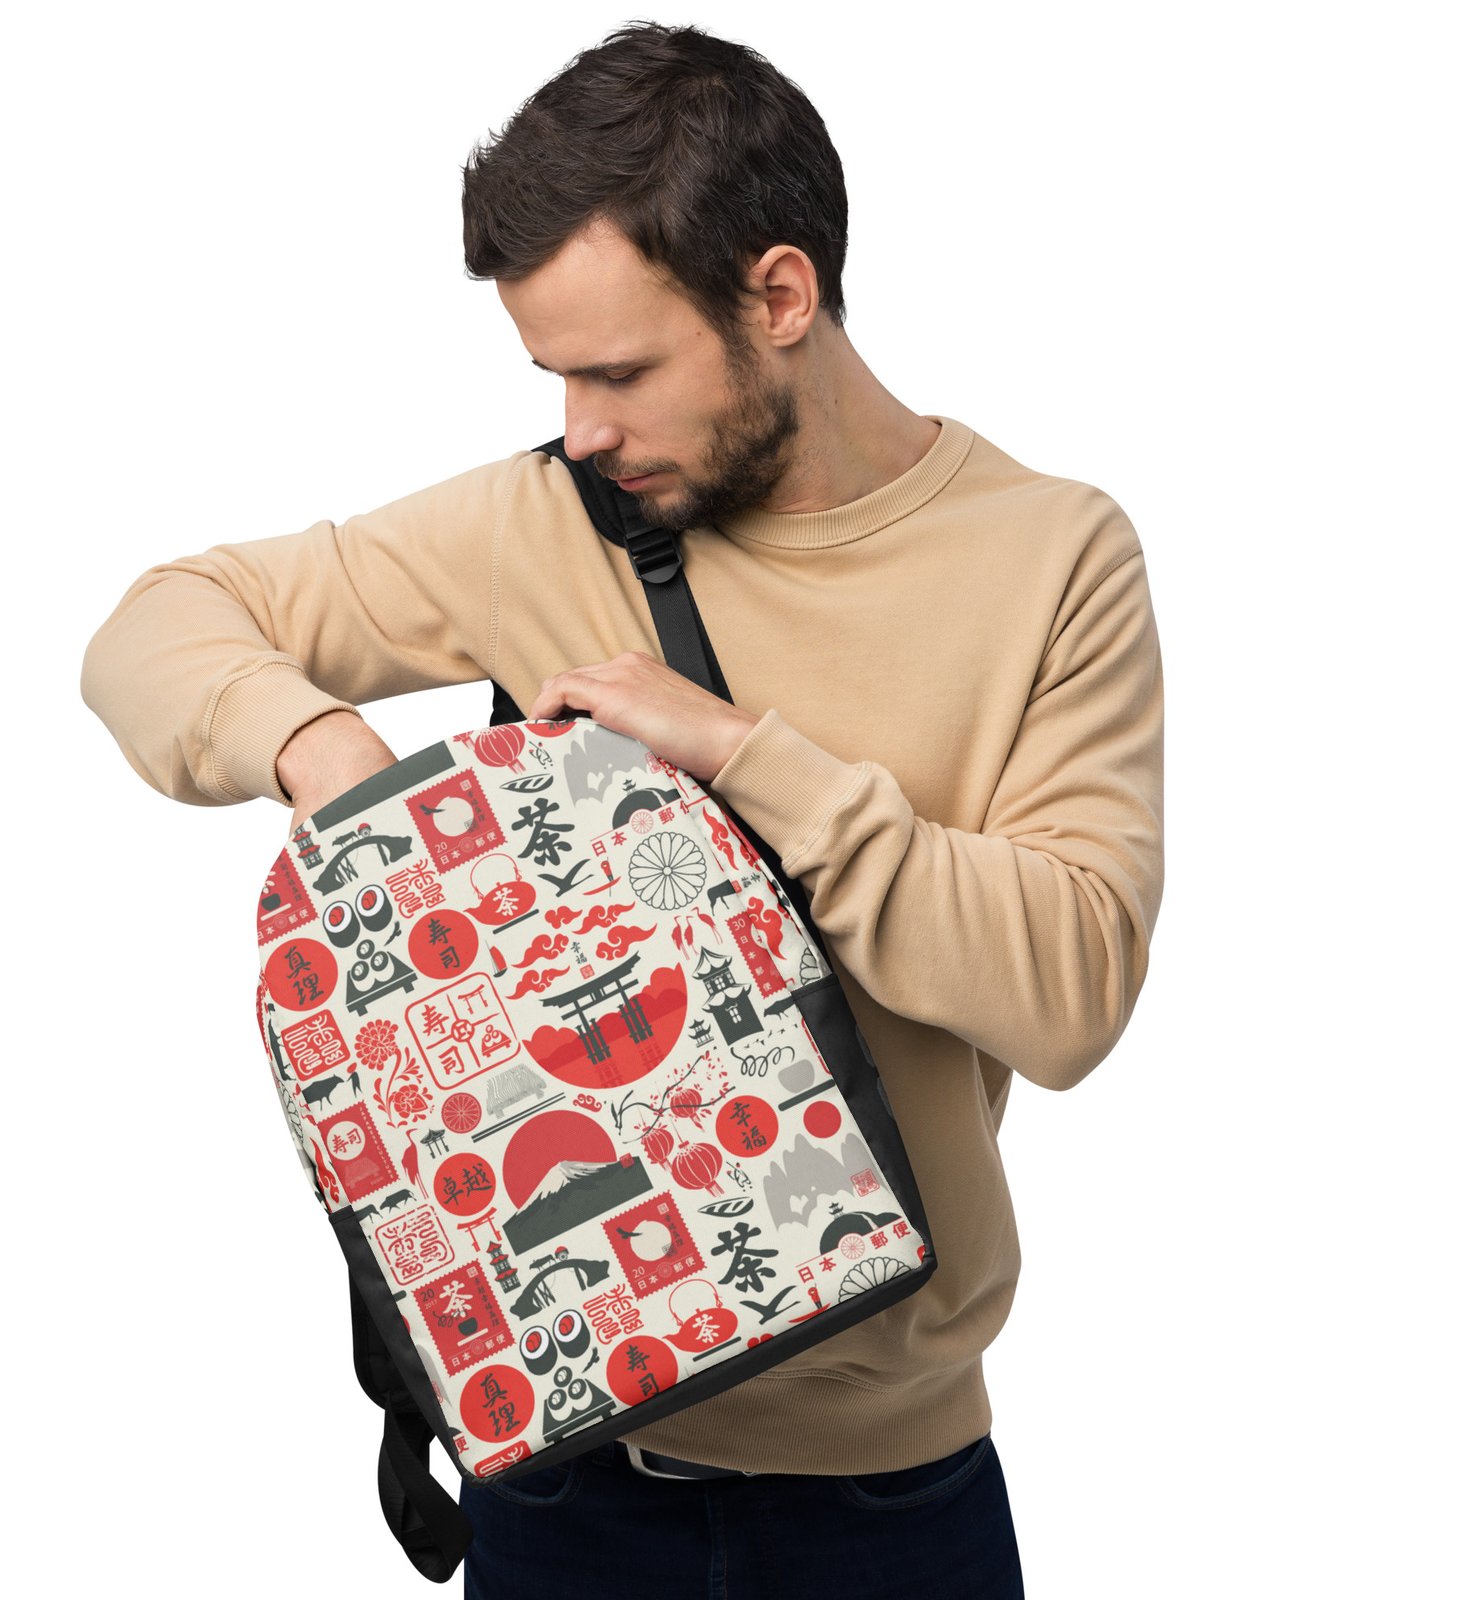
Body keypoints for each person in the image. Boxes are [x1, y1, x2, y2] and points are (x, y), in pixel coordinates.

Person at [80, 21, 1164, 1599]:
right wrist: (327, 756)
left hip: (894, 1500)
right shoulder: (550, 518)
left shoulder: (1054, 556)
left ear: (779, 296)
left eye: (622, 370)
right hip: (567, 1486)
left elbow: (1069, 993)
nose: (582, 426)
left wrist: (743, 756)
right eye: (556, 377)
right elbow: (153, 627)